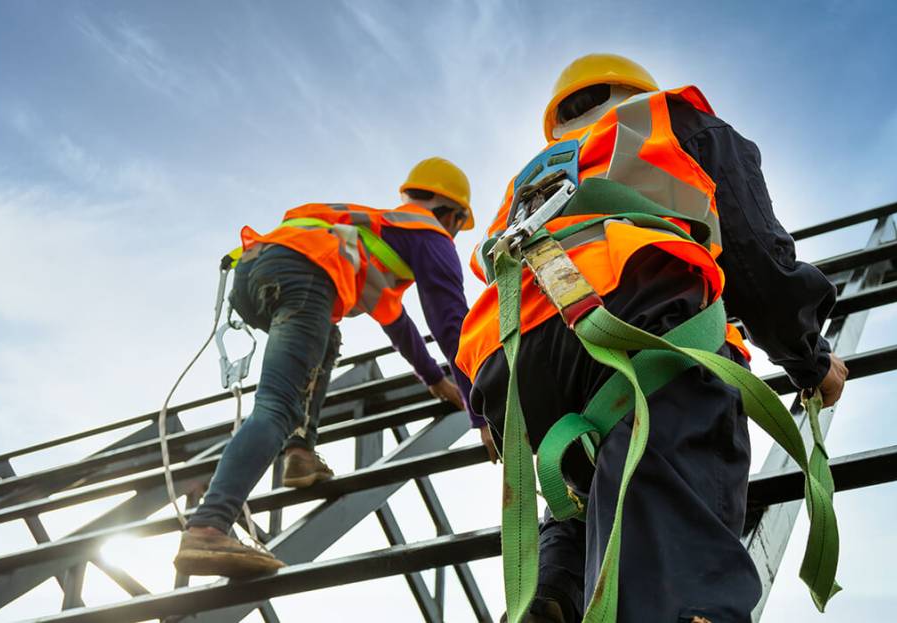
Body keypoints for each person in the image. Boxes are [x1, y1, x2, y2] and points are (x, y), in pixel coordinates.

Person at [456, 54, 848, 622]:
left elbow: (501, 287)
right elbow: (756, 261)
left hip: (511, 369)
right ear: (635, 89)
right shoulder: (673, 120)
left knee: (580, 502)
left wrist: (490, 412)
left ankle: (553, 597)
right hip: (641, 317)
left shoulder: (530, 183)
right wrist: (811, 359)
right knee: (674, 554)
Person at [174, 157, 482, 577]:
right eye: (457, 227)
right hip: (304, 277)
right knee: (276, 407)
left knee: (327, 338)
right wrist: (478, 405)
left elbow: (400, 326)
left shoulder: (375, 237)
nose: (453, 236)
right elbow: (451, 325)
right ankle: (209, 525)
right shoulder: (427, 233)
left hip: (256, 273)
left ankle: (299, 453)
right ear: (452, 213)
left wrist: (433, 379)